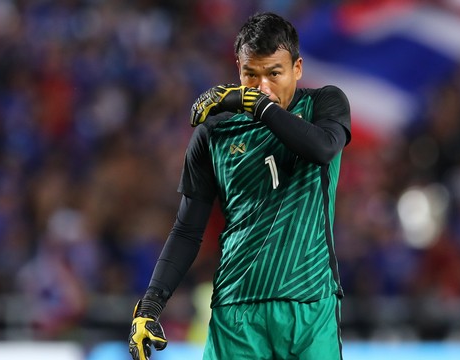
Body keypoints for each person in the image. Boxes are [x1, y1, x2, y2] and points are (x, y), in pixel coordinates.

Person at [128, 12, 351, 360]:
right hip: (237, 311)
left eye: (274, 73)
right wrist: (151, 303)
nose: (262, 86)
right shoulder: (214, 133)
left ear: (298, 68)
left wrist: (258, 107)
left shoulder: (323, 104)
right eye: (251, 74)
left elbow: (321, 149)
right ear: (237, 69)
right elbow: (187, 229)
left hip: (309, 303)